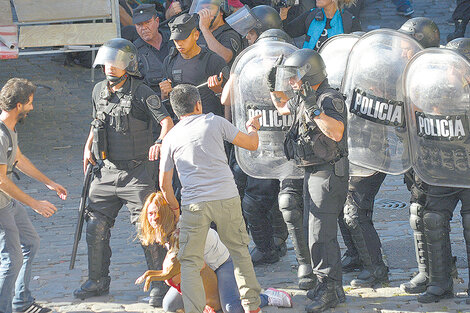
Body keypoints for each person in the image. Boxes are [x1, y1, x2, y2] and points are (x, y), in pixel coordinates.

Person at [72, 38, 174, 308]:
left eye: (116, 63)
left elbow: (166, 121)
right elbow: (96, 122)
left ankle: (159, 283)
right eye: (107, 63)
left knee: (148, 229)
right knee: (95, 225)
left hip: (137, 173)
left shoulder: (142, 92)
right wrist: (87, 148)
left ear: (128, 66)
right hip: (106, 171)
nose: (110, 68)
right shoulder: (97, 90)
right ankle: (97, 280)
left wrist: (160, 142)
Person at [159, 83, 263, 313]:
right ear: (198, 104)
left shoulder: (171, 137)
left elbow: (164, 186)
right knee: (239, 252)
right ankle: (252, 306)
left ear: (176, 111)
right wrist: (252, 127)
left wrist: (177, 210)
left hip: (193, 204)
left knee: (190, 262)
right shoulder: (214, 121)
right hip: (226, 196)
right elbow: (251, 144)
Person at [268, 49, 348, 312]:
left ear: (309, 73)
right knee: (312, 229)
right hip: (312, 171)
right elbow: (282, 108)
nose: (291, 82)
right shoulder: (304, 96)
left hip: (328, 172)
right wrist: (271, 85)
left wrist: (314, 108)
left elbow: (336, 132)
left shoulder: (328, 98)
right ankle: (329, 285)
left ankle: (330, 289)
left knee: (321, 235)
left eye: (294, 76)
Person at [136, 191, 293, 313]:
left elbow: (196, 267)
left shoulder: (184, 230)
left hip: (222, 263)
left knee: (232, 308)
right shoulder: (165, 231)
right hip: (202, 268)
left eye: (158, 213)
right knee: (170, 305)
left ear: (167, 213)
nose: (154, 218)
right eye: (150, 214)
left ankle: (264, 297)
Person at [0, 78, 68, 313]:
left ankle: (21, 301)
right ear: (19, 105)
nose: (32, 107)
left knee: (30, 242)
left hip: (7, 202)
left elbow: (18, 158)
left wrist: (49, 183)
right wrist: (35, 204)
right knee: (12, 260)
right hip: (1, 206)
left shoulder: (10, 128)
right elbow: (1, 180)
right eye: (30, 102)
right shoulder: (0, 135)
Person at [159, 13, 228, 117]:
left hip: (209, 123)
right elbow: (167, 103)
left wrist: (218, 91)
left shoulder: (213, 61)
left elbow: (231, 102)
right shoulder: (169, 61)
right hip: (182, 124)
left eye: (183, 38)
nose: (179, 44)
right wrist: (164, 94)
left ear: (196, 35)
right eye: (176, 40)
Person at [282, 0, 361, 51]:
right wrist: (283, 13)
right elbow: (288, 31)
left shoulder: (350, 21)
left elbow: (359, 50)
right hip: (309, 70)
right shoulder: (311, 15)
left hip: (337, 72)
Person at [132, 4, 173, 96]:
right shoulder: (134, 52)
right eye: (139, 24)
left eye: (147, 22)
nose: (144, 28)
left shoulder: (174, 40)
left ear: (157, 21)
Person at [192, 0, 243, 66]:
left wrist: (205, 29)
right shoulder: (198, 33)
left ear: (221, 11)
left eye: (209, 8)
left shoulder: (229, 33)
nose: (204, 13)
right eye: (202, 9)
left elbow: (225, 58)